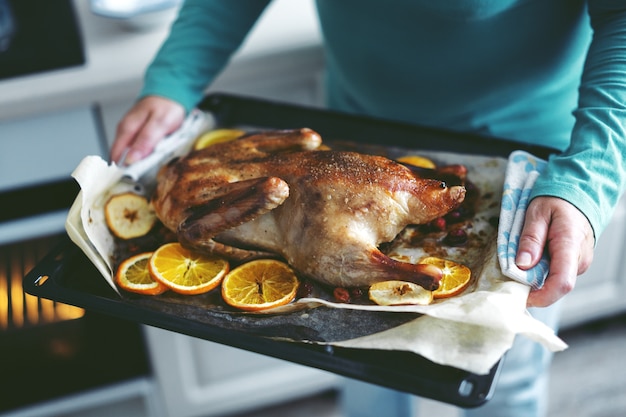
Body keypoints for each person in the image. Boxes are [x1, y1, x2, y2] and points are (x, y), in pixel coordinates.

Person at [111, 1, 626, 416]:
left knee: (500, 380)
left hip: (527, 170)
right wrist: (173, 81)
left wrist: (587, 174)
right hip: (344, 138)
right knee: (365, 382)